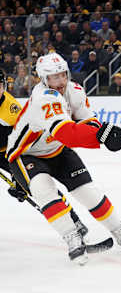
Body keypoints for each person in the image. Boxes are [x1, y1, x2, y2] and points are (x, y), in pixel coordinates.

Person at [6, 53, 121, 265]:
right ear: (43, 79)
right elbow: (67, 133)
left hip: (57, 149)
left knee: (88, 192)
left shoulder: (74, 90)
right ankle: (72, 237)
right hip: (26, 154)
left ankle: (119, 229)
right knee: (42, 187)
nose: (59, 82)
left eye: (62, 75)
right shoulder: (43, 98)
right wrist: (101, 136)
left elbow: (88, 122)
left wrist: (105, 132)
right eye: (53, 78)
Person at [0, 68, 90, 237]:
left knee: (39, 188)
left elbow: (20, 141)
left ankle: (74, 221)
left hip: (11, 153)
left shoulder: (11, 110)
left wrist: (18, 178)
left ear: (5, 87)